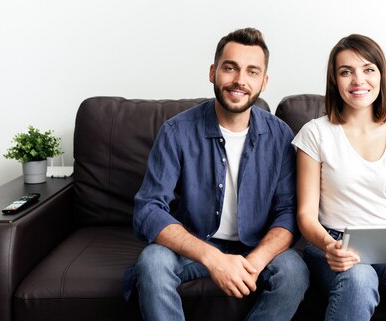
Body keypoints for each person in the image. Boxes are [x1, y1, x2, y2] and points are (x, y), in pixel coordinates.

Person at [124, 27, 309, 321]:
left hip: (255, 247)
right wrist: (213, 259)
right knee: (152, 262)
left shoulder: (280, 135)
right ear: (213, 72)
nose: (239, 80)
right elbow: (148, 209)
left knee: (294, 272)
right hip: (195, 244)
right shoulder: (176, 131)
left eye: (252, 72)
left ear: (264, 81)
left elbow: (288, 212)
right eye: (230, 68)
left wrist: (257, 260)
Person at [292, 34, 386, 321]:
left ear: (381, 76)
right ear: (334, 81)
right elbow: (305, 216)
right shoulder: (315, 133)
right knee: (359, 284)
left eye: (368, 69)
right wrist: (330, 246)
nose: (358, 80)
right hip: (335, 241)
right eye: (346, 71)